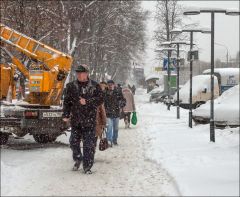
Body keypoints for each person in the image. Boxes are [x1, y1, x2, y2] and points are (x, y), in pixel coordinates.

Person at [62, 64, 103, 174]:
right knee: (73, 143)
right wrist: (65, 114)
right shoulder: (71, 86)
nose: (79, 75)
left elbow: (100, 99)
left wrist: (88, 101)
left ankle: (87, 167)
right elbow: (67, 102)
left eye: (82, 73)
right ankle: (78, 158)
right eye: (78, 73)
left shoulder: (94, 86)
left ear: (87, 74)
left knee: (89, 145)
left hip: (89, 120)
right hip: (76, 120)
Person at [104, 80, 126, 146]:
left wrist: (121, 104)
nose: (110, 86)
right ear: (107, 85)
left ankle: (114, 140)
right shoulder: (104, 92)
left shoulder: (118, 92)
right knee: (109, 127)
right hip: (108, 113)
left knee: (116, 128)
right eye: (109, 84)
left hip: (116, 113)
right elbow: (101, 102)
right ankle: (109, 141)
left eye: (111, 84)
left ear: (114, 85)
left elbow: (123, 100)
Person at [95, 82, 107, 150]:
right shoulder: (99, 97)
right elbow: (102, 112)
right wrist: (104, 123)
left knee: (90, 140)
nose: (103, 88)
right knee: (92, 139)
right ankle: (90, 155)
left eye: (104, 87)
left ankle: (89, 155)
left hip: (93, 122)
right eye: (102, 87)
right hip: (96, 122)